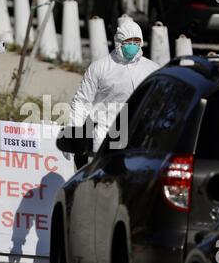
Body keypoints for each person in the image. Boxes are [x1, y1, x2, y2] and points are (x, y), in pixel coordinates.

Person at [69, 21, 160, 169]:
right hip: (104, 135)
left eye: (136, 41)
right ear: (119, 42)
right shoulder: (100, 68)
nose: (132, 45)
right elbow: (81, 101)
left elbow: (160, 102)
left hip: (139, 136)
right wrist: (74, 133)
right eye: (128, 41)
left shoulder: (152, 69)